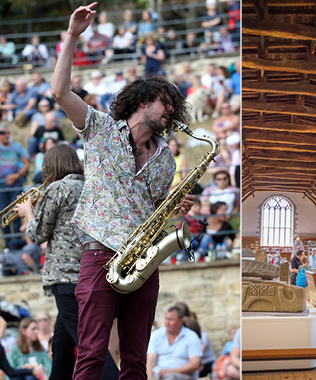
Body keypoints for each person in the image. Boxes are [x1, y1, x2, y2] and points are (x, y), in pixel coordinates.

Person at [51, 4, 194, 379]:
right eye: (167, 103)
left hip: (143, 261)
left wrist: (175, 204)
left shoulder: (166, 159)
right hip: (100, 254)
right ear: (144, 101)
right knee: (91, 355)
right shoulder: (100, 128)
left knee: (135, 361)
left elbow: (157, 206)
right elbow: (59, 90)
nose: (171, 113)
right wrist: (72, 35)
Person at [15, 143, 120, 380]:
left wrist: (29, 212)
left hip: (67, 278)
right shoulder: (89, 186)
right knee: (61, 346)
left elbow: (38, 234)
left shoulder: (57, 188)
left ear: (52, 166)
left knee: (90, 347)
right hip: (92, 275)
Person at [146, 306, 202, 380]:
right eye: (166, 319)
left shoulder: (191, 336)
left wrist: (170, 371)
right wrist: (149, 378)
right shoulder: (156, 335)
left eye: (171, 320)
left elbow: (195, 364)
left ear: (181, 321)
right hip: (159, 376)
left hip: (183, 376)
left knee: (170, 377)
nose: (167, 323)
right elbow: (151, 359)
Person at [0, 124, 29, 248]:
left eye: (7, 133)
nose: (6, 135)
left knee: (16, 213)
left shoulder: (17, 146)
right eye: (2, 133)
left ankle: (17, 243)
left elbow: (26, 164)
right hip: (1, 185)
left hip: (16, 183)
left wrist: (16, 176)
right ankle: (8, 246)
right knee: (2, 214)